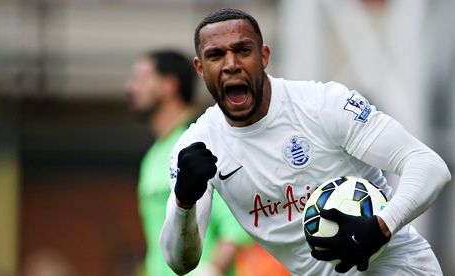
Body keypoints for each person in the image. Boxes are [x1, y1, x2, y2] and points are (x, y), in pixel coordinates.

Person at [159, 7, 452, 276]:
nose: (231, 64)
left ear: (263, 56)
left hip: (396, 266)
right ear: (200, 68)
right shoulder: (197, 146)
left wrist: (382, 226)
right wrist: (184, 202)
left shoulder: (323, 104)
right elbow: (181, 262)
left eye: (242, 50)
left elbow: (429, 166)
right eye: (216, 55)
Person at [125, 50, 252, 276]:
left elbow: (235, 225)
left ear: (169, 85)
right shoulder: (152, 157)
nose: (131, 88)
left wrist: (212, 270)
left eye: (141, 79)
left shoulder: (204, 145)